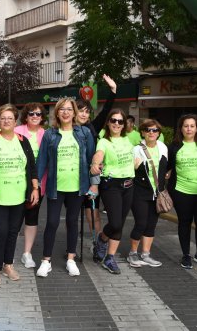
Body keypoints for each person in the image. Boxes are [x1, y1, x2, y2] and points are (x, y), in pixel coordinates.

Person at [0, 104, 39, 286]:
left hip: (19, 196)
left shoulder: (22, 140)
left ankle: (8, 265)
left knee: (13, 232)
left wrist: (34, 188)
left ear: (15, 120)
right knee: (1, 231)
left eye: (10, 118)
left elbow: (32, 167)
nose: (6, 121)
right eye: (3, 118)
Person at [36, 98, 96, 278]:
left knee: (72, 222)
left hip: (78, 187)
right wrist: (35, 184)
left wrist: (94, 184)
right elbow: (42, 162)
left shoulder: (84, 133)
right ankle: (46, 261)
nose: (66, 112)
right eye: (62, 109)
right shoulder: (49, 134)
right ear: (57, 113)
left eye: (69, 109)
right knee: (52, 222)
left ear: (74, 112)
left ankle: (71, 259)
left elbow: (92, 160)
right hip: (56, 187)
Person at [90, 109, 135, 274]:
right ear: (108, 122)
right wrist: (95, 164)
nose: (117, 124)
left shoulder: (128, 140)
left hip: (129, 185)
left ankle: (109, 258)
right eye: (113, 120)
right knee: (115, 223)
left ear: (124, 125)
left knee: (120, 224)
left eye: (120, 121)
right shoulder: (104, 141)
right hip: (111, 185)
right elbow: (98, 155)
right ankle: (102, 240)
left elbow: (135, 159)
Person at [167, 114, 197, 269]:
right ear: (181, 128)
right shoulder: (174, 146)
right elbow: (165, 168)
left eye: (192, 126)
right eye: (185, 126)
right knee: (184, 223)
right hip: (181, 191)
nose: (189, 129)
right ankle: (186, 255)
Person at [76, 74, 117, 241]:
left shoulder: (92, 127)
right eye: (81, 111)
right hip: (72, 177)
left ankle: (97, 243)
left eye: (87, 112)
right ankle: (70, 246)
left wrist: (113, 90)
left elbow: (106, 111)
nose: (85, 115)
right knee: (72, 216)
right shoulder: (66, 130)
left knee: (92, 213)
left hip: (91, 176)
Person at [127, 119, 168, 268]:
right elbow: (128, 171)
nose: (151, 133)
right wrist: (134, 166)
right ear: (143, 132)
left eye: (155, 130)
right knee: (141, 223)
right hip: (139, 192)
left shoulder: (163, 147)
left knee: (151, 224)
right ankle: (132, 253)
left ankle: (146, 254)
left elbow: (164, 169)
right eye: (148, 130)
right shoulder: (136, 149)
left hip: (157, 193)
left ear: (158, 133)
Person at [14, 103, 46, 268]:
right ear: (26, 116)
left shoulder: (46, 135)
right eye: (32, 114)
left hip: (38, 184)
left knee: (32, 218)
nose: (35, 116)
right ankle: (8, 254)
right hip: (16, 183)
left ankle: (27, 253)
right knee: (15, 218)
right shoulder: (17, 132)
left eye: (38, 114)